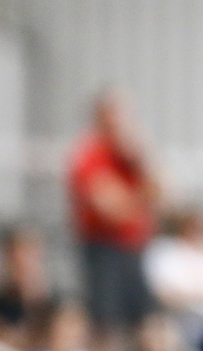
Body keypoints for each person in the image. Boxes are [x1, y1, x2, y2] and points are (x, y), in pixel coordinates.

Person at [66, 90, 162, 336]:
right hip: (103, 250)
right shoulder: (88, 156)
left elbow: (165, 196)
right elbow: (112, 210)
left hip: (135, 248)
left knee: (145, 322)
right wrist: (143, 199)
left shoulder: (133, 158)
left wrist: (143, 160)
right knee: (107, 324)